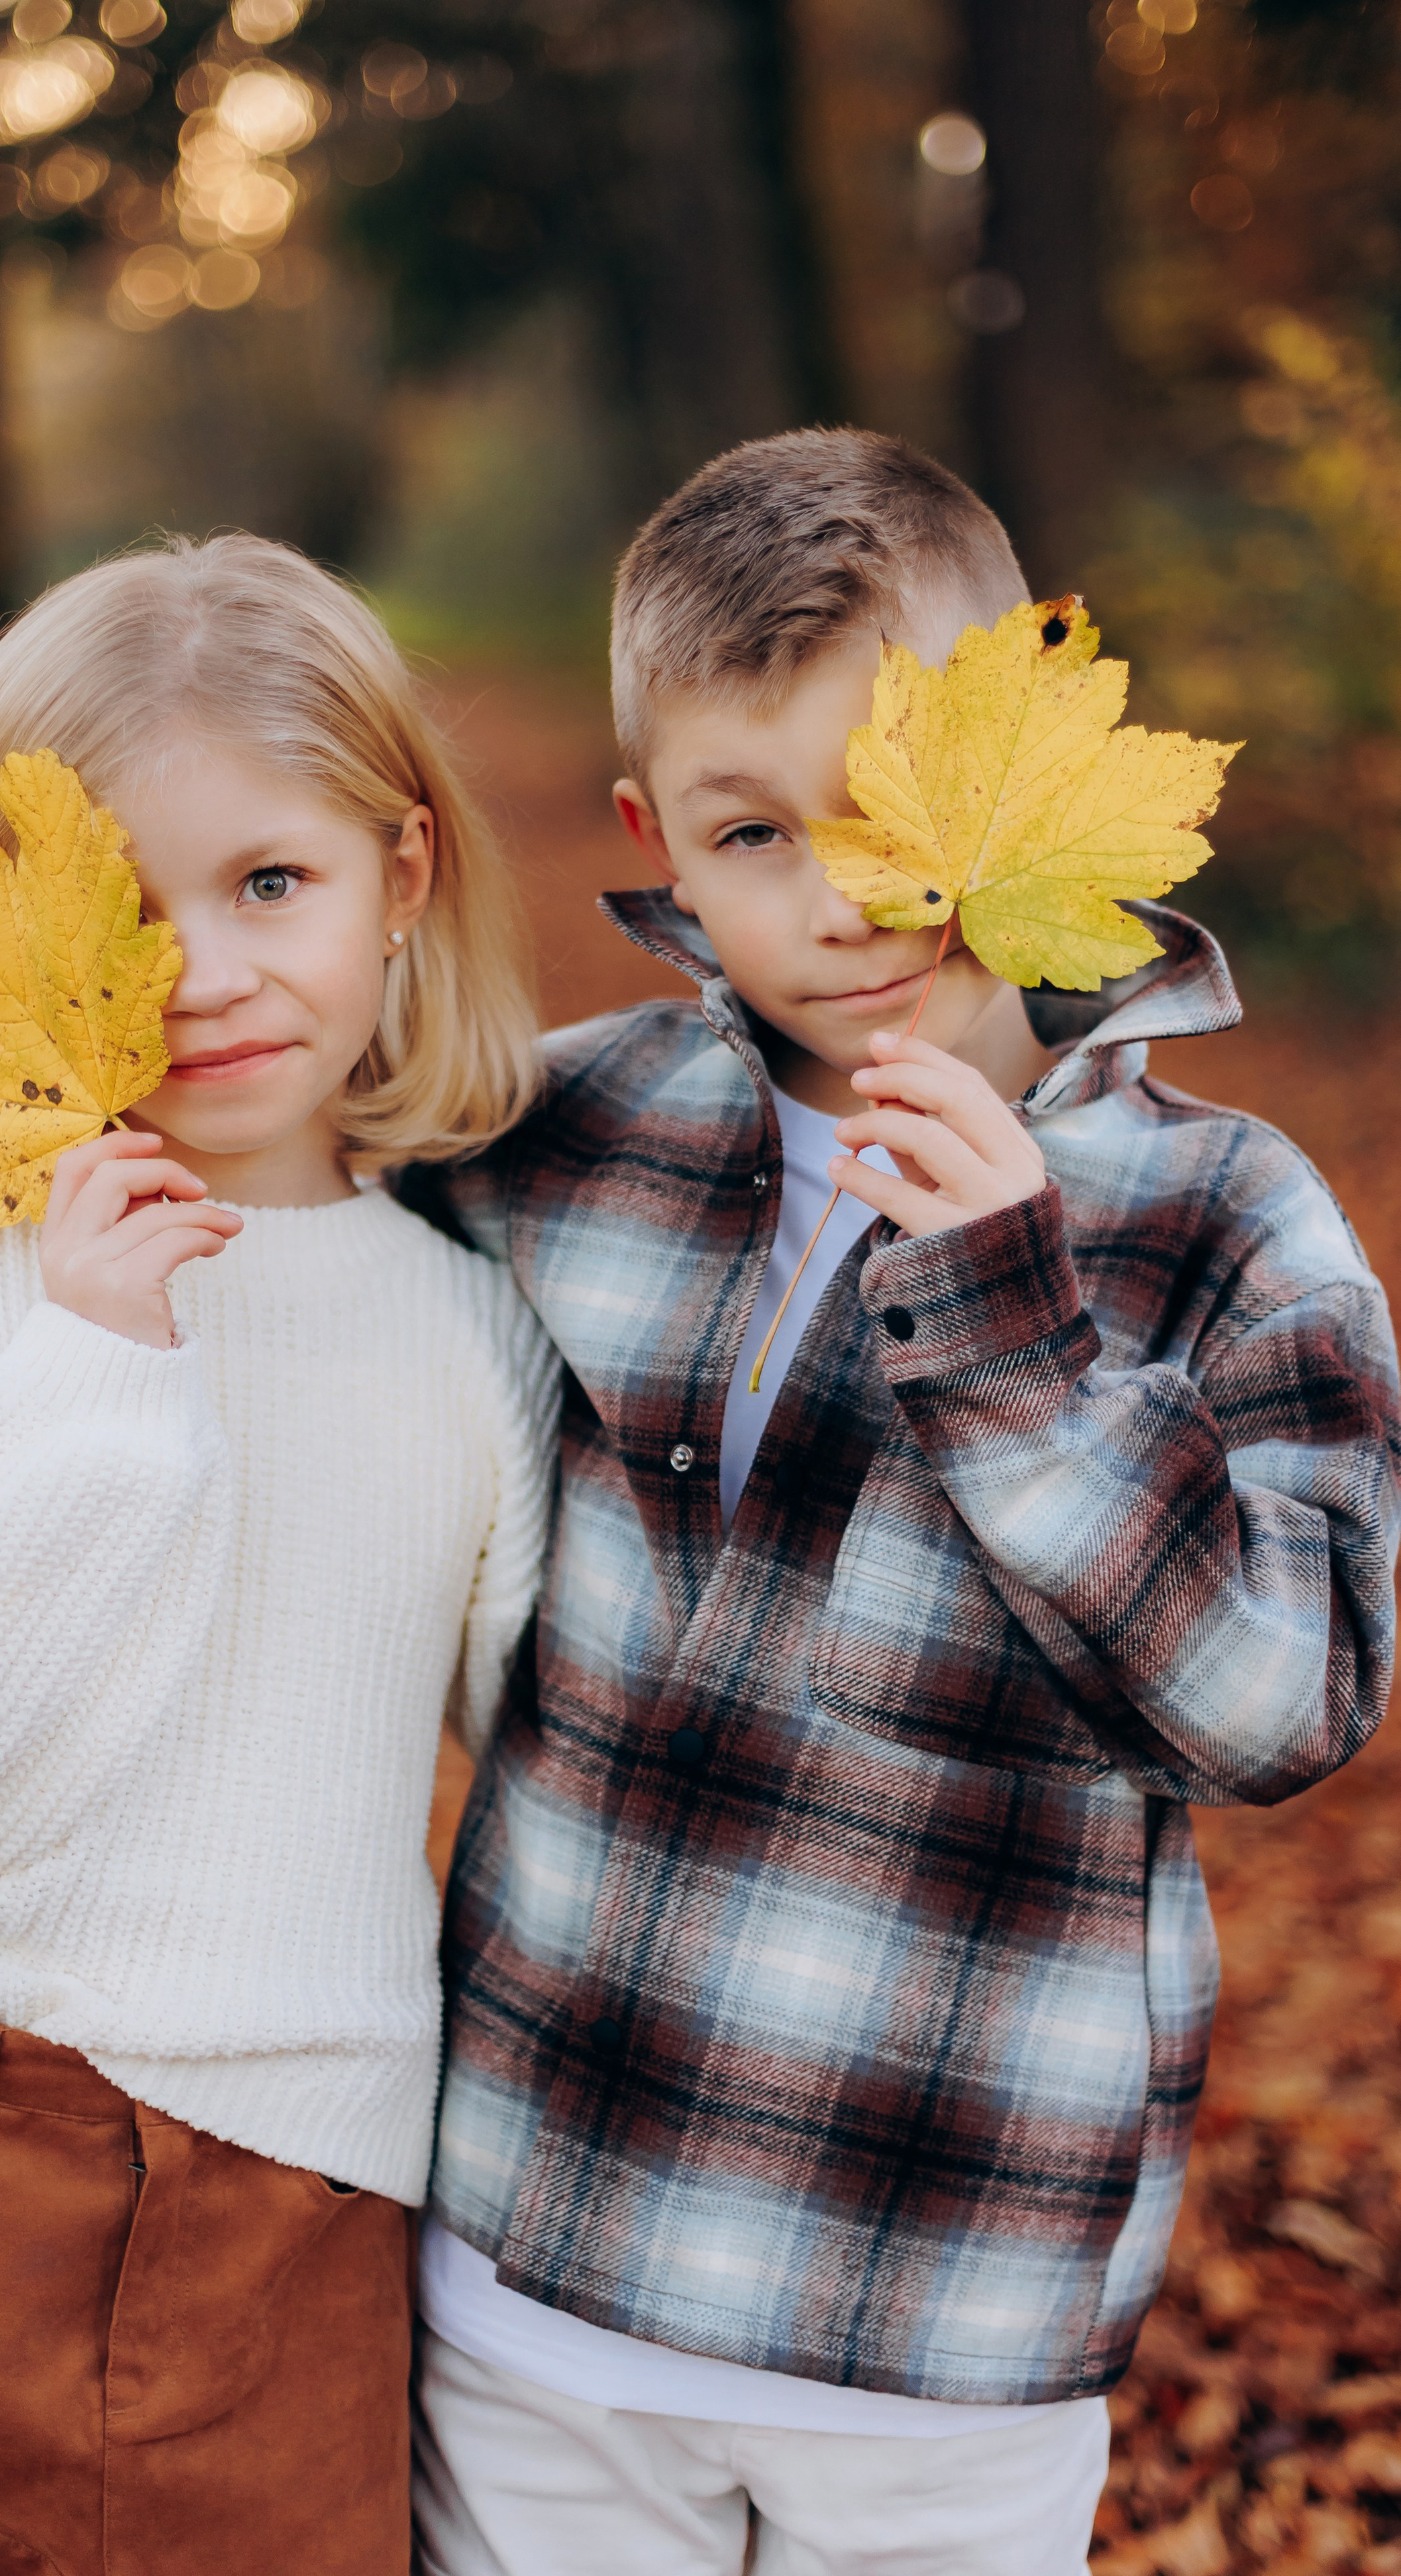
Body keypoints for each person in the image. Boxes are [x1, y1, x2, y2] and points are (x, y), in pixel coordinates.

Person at [404, 429, 1401, 2576]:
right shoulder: (562, 1138)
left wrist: (1025, 1342)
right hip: (544, 2251)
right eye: (756, 831)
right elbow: (280, 1226)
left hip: (950, 2305)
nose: (843, 898)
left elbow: (1290, 1706)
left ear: (1040, 734)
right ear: (652, 832)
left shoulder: (1228, 1219)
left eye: (893, 805)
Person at [0, 535, 558, 2575]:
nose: (204, 971)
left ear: (401, 883)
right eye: (116, 909)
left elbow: (565, 1785)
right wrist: (85, 1379)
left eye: (273, 883)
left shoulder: (460, 1341)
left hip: (301, 2205)